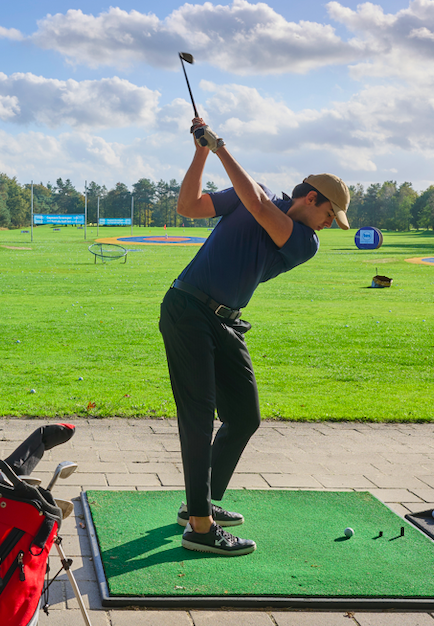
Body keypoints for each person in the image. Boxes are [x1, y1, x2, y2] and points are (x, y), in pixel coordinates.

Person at [160, 117, 350, 556]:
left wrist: (221, 148)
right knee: (199, 414)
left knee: (244, 416)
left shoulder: (305, 241)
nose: (328, 223)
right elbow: (188, 206)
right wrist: (201, 153)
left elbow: (261, 208)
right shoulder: (254, 193)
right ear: (311, 198)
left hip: (227, 321)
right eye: (329, 214)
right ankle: (200, 526)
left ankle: (201, 503)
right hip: (187, 308)